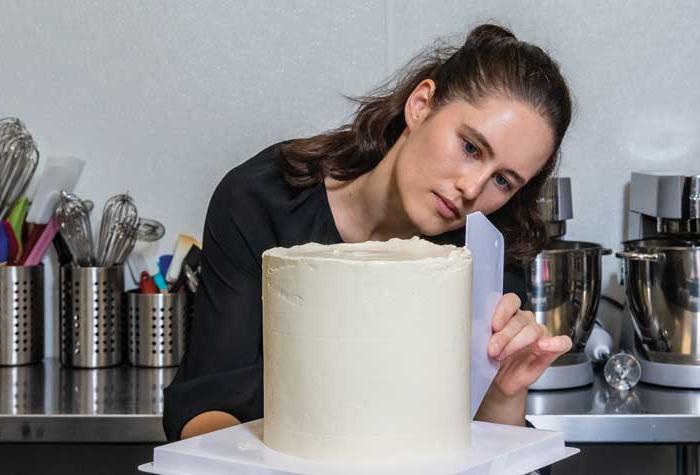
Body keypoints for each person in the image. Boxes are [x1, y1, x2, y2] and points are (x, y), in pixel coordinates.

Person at [163, 23, 574, 443]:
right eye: (470, 147)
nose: (472, 189)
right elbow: (208, 405)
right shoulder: (262, 200)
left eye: (503, 181)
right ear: (421, 104)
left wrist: (506, 389)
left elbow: (491, 447)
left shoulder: (485, 255)